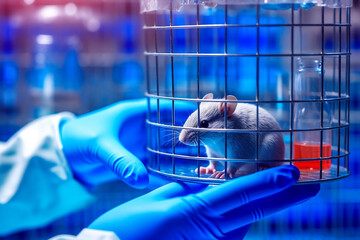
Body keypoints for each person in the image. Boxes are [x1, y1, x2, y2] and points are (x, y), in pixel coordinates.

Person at [0, 98, 319, 239]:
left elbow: (239, 151)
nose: (183, 136)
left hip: (256, 153)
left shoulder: (240, 129)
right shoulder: (215, 133)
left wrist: (58, 154)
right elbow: (215, 151)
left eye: (204, 123)